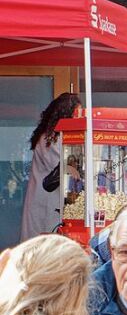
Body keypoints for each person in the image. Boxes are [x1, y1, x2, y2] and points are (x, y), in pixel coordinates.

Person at [20, 92, 81, 242]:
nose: (78, 117)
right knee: (43, 241)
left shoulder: (54, 136)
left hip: (50, 199)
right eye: (76, 113)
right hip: (46, 199)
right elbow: (59, 165)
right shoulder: (50, 138)